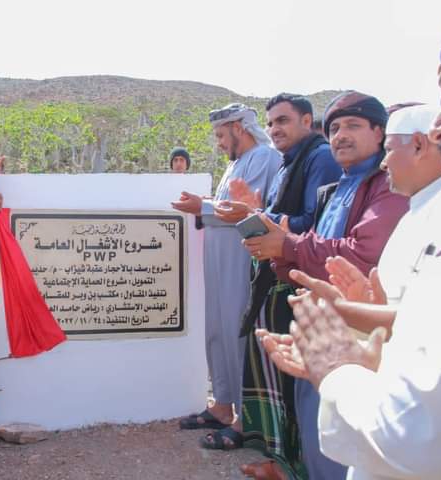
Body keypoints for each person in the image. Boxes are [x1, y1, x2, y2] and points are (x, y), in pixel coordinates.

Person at [242, 91, 409, 479]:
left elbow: (363, 253)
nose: (341, 136)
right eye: (334, 128)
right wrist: (278, 251)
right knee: (314, 419)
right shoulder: (338, 187)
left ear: (379, 132)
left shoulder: (385, 184)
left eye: (353, 126)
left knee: (341, 430)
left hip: (356, 329)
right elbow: (312, 248)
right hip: (318, 320)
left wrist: (287, 244)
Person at [212, 94, 339, 478]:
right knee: (278, 380)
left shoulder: (318, 158)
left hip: (299, 281)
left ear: (306, 121)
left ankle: (298, 467)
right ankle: (282, 462)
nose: (275, 129)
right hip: (276, 276)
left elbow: (311, 221)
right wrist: (257, 213)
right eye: (271, 122)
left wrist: (258, 214)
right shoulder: (289, 162)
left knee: (296, 384)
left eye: (283, 120)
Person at [172, 103, 281, 450]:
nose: (219, 142)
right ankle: (221, 404)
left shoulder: (264, 157)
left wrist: (201, 207)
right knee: (217, 328)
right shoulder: (235, 163)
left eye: (221, 135)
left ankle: (244, 417)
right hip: (218, 258)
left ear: (238, 127)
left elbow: (242, 211)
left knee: (236, 331)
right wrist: (203, 202)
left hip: (240, 256)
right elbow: (224, 205)